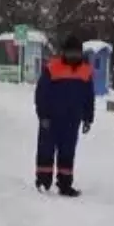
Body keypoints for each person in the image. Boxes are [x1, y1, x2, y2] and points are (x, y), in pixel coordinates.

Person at [34, 35, 95, 196]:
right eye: (71, 52)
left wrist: (88, 117)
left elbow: (89, 96)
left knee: (67, 152)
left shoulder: (85, 70)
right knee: (46, 150)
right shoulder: (52, 67)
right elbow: (41, 94)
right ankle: (43, 181)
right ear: (64, 52)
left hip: (72, 120)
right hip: (51, 119)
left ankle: (65, 184)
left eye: (77, 53)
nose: (74, 56)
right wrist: (43, 115)